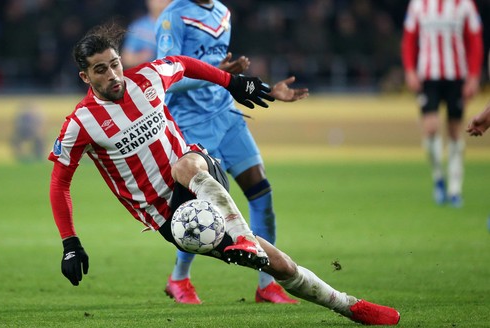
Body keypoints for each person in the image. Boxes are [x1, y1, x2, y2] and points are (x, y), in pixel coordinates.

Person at [48, 23, 400, 326]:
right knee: (277, 263)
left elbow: (183, 64)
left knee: (183, 164)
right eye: (100, 71)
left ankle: (244, 237)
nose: (112, 76)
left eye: (114, 65)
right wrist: (70, 243)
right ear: (85, 77)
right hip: (173, 219)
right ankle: (349, 306)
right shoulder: (81, 123)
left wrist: (231, 81)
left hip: (198, 170)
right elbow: (60, 182)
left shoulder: (148, 78)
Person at [155, 0, 308, 304]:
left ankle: (267, 285)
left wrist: (267, 90)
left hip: (228, 118)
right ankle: (179, 279)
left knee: (262, 194)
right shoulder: (173, 16)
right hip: (191, 125)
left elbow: (224, 77)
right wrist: (216, 71)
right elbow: (165, 79)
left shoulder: (222, 13)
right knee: (200, 210)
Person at [401, 0, 483, 207]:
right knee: (430, 130)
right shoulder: (418, 4)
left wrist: (473, 76)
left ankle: (455, 188)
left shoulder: (465, 4)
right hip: (428, 76)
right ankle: (438, 177)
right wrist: (410, 70)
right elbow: (409, 39)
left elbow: (475, 40)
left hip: (456, 76)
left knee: (455, 131)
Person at [121, 0, 171, 68]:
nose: (160, 2)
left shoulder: (180, 27)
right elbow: (126, 59)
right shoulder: (138, 26)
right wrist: (141, 57)